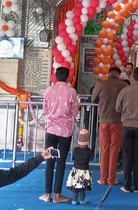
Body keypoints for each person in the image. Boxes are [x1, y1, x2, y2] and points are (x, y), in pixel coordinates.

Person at [40, 67, 79, 203]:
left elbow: (44, 109)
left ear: (55, 77)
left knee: (49, 160)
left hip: (50, 130)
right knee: (61, 162)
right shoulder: (71, 91)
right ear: (68, 77)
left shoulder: (49, 90)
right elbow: (75, 111)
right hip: (64, 132)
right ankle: (57, 195)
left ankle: (47, 194)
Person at [91, 67, 128, 186]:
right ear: (118, 74)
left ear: (109, 73)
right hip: (117, 120)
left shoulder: (101, 84)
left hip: (103, 120)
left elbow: (93, 99)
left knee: (104, 149)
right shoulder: (123, 85)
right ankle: (111, 179)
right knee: (114, 150)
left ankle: (103, 178)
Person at [66, 129, 93, 205]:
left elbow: (73, 158)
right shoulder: (88, 150)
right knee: (83, 187)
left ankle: (74, 200)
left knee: (75, 187)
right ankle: (82, 200)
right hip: (84, 171)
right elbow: (91, 158)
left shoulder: (75, 150)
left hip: (76, 171)